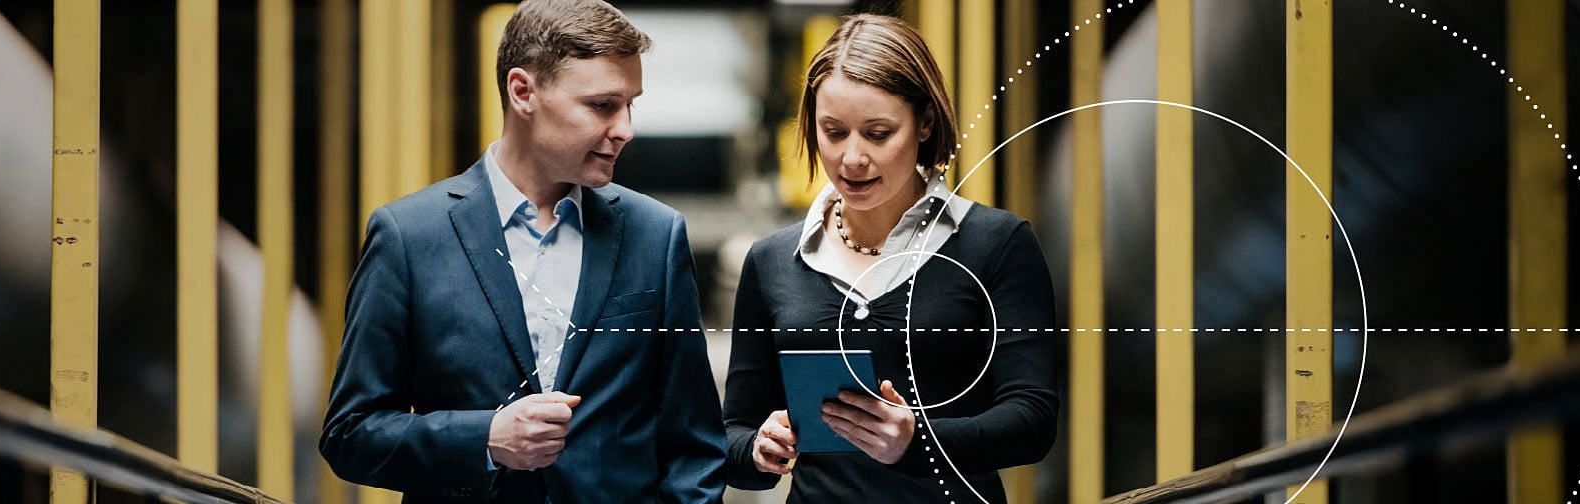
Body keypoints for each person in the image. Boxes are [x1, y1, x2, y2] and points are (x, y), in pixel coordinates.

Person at [316, 1, 724, 502]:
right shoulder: (408, 236)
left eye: (630, 104)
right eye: (602, 105)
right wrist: (484, 437)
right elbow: (350, 434)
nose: (626, 129)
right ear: (522, 91)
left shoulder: (656, 235)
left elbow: (694, 444)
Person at [720, 13, 1060, 502]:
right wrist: (759, 449)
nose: (852, 158)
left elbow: (1032, 420)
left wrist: (916, 441)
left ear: (924, 123)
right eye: (833, 132)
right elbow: (733, 431)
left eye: (877, 134)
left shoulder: (997, 243)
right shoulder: (772, 260)